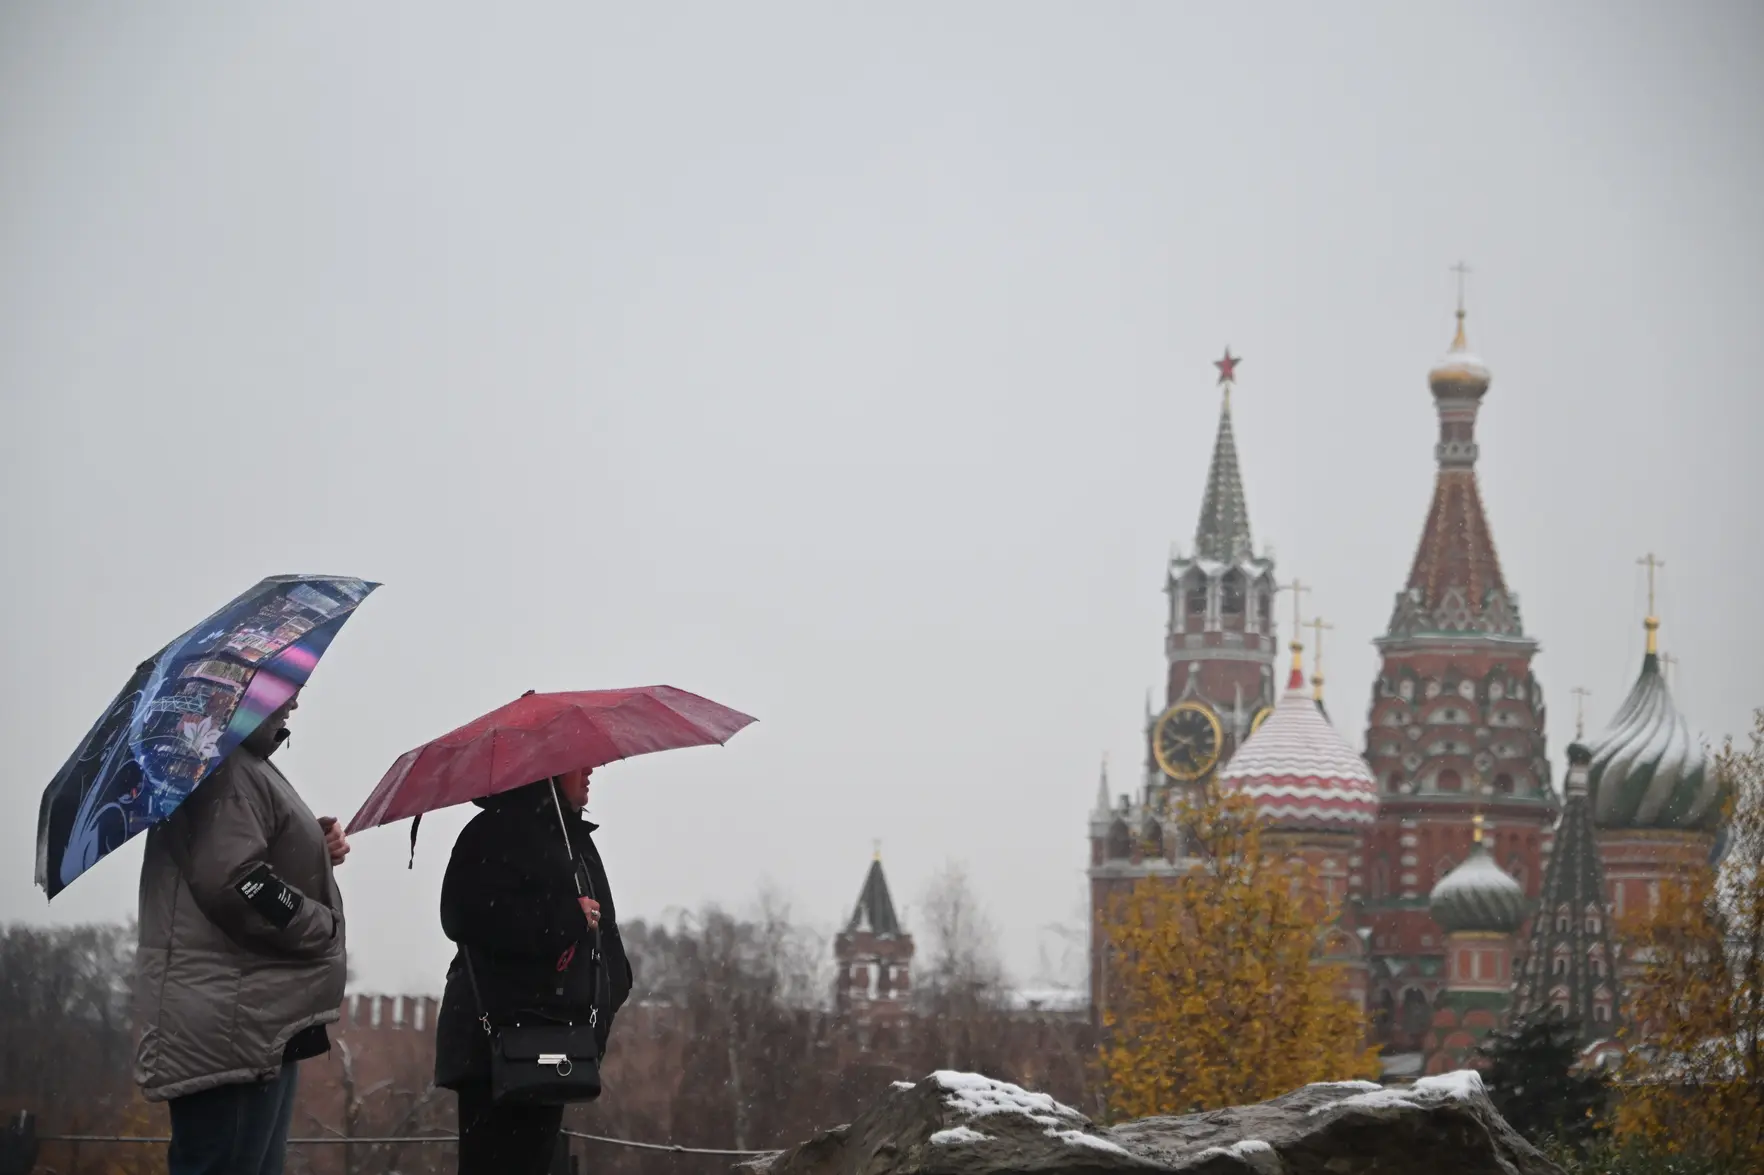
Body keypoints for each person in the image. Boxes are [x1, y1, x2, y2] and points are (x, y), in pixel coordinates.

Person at [134, 694, 351, 1175]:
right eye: (284, 687)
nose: (296, 699)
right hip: (230, 1023)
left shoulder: (236, 764)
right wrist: (323, 926)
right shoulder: (225, 769)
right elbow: (237, 883)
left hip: (248, 1018)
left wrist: (309, 842)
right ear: (246, 692)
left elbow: (235, 858)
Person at [435, 767, 633, 1175]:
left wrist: (603, 1002)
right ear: (549, 772)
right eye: (578, 761)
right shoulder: (490, 834)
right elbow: (466, 918)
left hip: (556, 1042)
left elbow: (603, 940)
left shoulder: (572, 840)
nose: (591, 769)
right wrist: (565, 917)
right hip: (498, 1046)